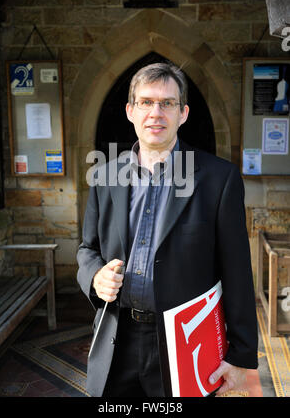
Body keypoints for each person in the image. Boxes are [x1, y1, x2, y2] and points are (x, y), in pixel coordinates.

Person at [77, 62, 258, 397]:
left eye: (167, 103)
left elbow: (237, 272)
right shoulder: (104, 177)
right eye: (146, 102)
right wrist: (94, 277)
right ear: (131, 111)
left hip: (185, 345)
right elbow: (87, 249)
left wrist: (241, 355)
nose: (155, 113)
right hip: (117, 341)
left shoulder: (218, 179)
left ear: (183, 113)